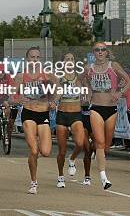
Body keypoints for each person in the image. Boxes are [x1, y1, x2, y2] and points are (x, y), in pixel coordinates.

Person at [82, 42, 130, 190]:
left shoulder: (114, 66)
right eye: (97, 50)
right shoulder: (88, 68)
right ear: (93, 52)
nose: (100, 52)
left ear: (106, 52)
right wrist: (86, 91)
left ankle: (94, 150)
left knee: (106, 146)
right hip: (96, 108)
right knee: (100, 142)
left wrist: (120, 93)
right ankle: (104, 177)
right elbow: (79, 80)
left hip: (111, 109)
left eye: (103, 49)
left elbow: (129, 82)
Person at [13, 47, 59, 194]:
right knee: (33, 150)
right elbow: (13, 94)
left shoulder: (47, 75)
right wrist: (19, 99)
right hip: (28, 114)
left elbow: (58, 88)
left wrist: (54, 102)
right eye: (32, 57)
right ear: (27, 59)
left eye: (37, 57)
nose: (35, 59)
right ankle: (34, 182)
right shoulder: (21, 76)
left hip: (43, 114)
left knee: (45, 152)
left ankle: (34, 153)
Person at [55, 52, 86, 188]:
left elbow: (87, 90)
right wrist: (55, 100)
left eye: (72, 59)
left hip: (76, 114)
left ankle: (72, 159)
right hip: (62, 115)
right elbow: (56, 92)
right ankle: (60, 176)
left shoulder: (79, 78)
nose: (69, 61)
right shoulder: (58, 77)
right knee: (62, 150)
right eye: (67, 59)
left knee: (80, 143)